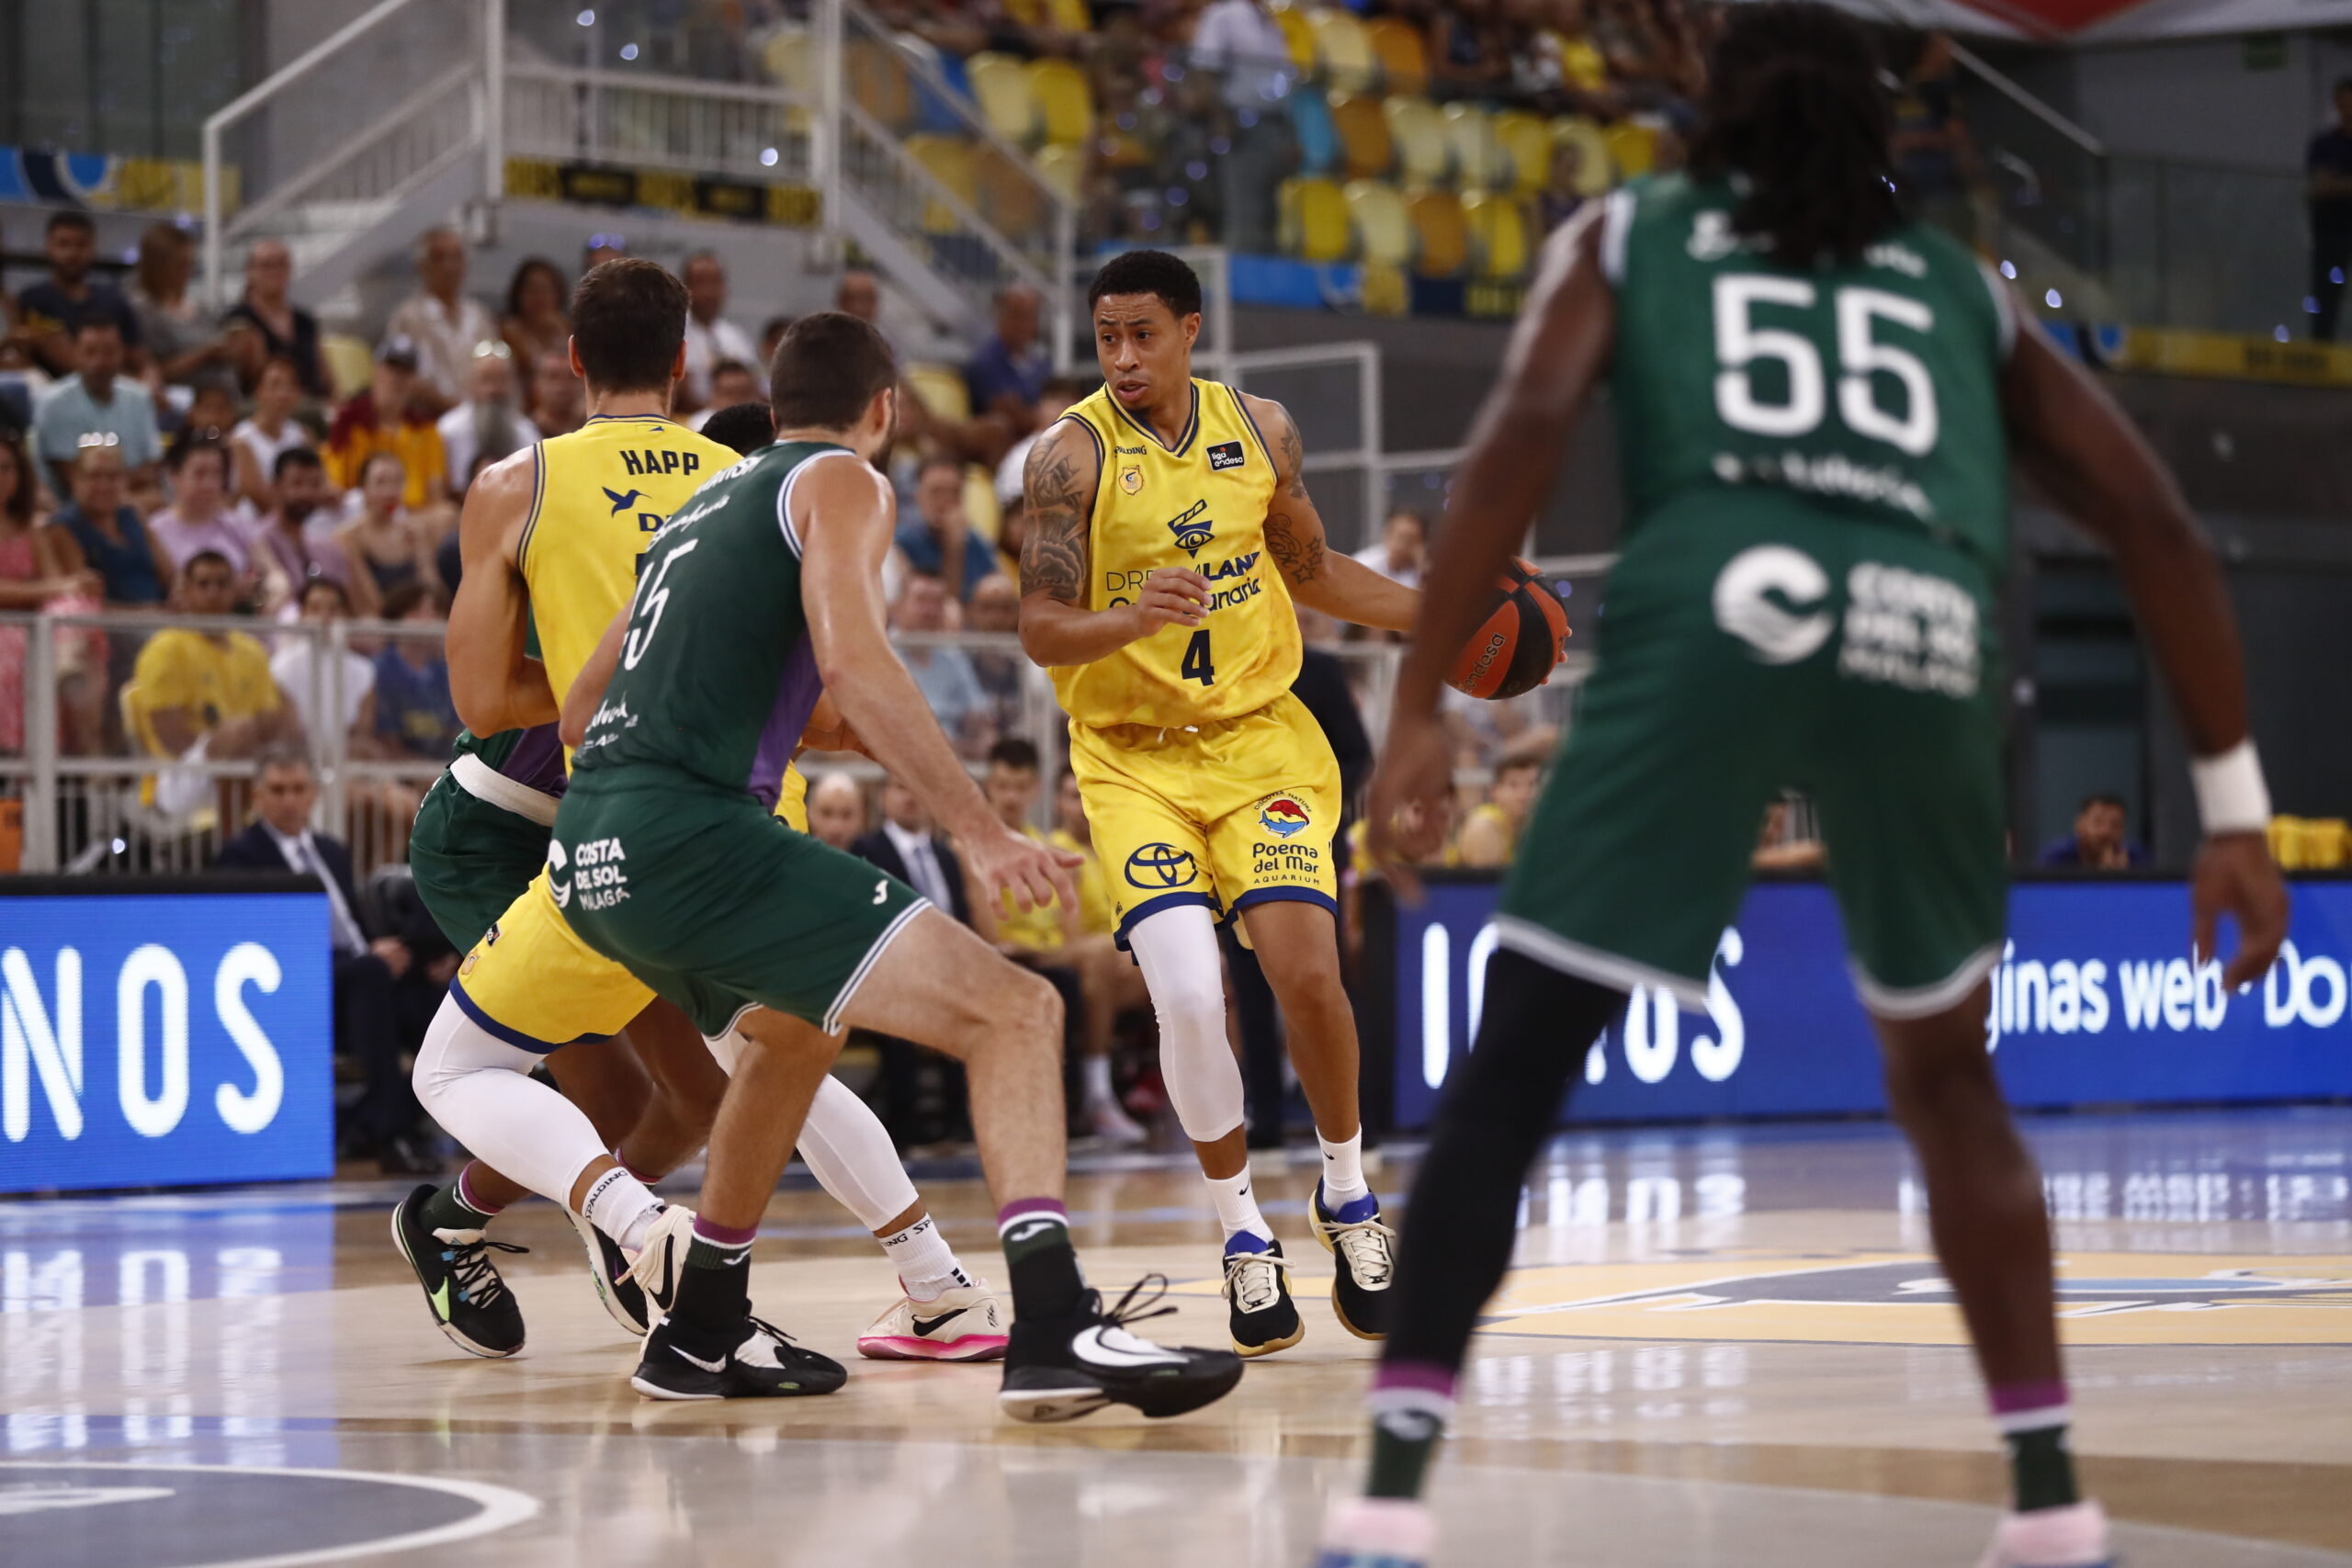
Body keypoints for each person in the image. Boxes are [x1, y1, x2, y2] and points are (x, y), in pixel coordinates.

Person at [1320, 11, 2292, 1568]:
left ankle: (1384, 1500)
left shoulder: (1633, 236)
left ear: (1711, 98)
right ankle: (2051, 1505)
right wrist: (2233, 809)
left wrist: (1423, 698)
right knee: (1948, 1082)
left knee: (1514, 1071)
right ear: (1894, 120)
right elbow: (2158, 526)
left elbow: (1512, 441)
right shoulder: (1964, 294)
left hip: (1723, 605)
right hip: (1925, 632)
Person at [545, 309, 1242, 1415]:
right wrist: (979, 828)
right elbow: (856, 662)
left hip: (588, 853)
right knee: (1017, 1011)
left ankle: (703, 1327)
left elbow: (582, 705)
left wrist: (775, 729)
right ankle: (1055, 1326)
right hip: (688, 834)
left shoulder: (695, 511)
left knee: (793, 1030)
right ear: (884, 410)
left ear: (771, 408)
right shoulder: (843, 482)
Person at [395, 264, 1008, 1374]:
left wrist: (626, 679)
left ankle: (645, 1246)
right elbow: (823, 686)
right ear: (686, 364)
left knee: (664, 1087)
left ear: (570, 359)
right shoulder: (748, 483)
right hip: (564, 825)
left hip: (618, 823)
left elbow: (483, 700)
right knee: (747, 1065)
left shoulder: (515, 481)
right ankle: (917, 1284)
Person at [1019, 248, 1418, 1357]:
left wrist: (1441, 616)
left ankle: (1346, 1196)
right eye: (1106, 336)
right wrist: (1129, 618)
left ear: (1191, 330)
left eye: (1143, 333)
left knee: (1306, 976)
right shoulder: (1067, 459)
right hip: (1132, 759)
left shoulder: (1261, 428)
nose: (1124, 356)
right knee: (1192, 998)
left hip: (1263, 745)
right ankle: (1241, 1232)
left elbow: (1314, 568)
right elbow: (1041, 627)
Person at [217, 745, 437, 1174]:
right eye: (278, 790)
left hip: (359, 971)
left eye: (298, 789)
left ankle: (397, 1121)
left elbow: (353, 925)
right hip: (295, 978)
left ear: (314, 794)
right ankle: (390, 1135)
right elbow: (253, 939)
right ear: (257, 797)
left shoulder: (331, 851)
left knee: (427, 993)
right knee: (372, 973)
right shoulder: (241, 854)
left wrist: (395, 950)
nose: (289, 800)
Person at [123, 548, 300, 818]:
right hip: (178, 776)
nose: (213, 592)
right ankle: (236, 838)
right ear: (186, 591)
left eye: (222, 584)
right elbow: (171, 738)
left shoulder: (251, 649)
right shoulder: (165, 647)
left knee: (289, 730)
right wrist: (227, 746)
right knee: (239, 731)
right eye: (203, 584)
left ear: (234, 591)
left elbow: (270, 722)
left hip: (244, 767)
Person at [0, 428, 104, 754]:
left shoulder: (32, 526)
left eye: (6, 468)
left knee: (76, 604)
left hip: (39, 626)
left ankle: (68, 667)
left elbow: (59, 588)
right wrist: (60, 586)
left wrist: (77, 584)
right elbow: (53, 585)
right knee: (21, 646)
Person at [1188, 0, 1295, 254]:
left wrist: (1289, 133)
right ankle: (1241, 277)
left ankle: (1269, 279)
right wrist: (1219, 119)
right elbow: (1204, 69)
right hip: (1239, 123)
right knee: (1244, 207)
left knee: (1272, 209)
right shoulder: (1223, 15)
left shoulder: (1274, 22)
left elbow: (1283, 82)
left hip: (1274, 123)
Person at [33, 319, 163, 501]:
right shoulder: (54, 403)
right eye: (90, 352)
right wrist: (120, 487)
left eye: (109, 352)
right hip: (75, 507)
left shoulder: (139, 397)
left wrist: (118, 488)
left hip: (134, 498)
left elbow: (152, 465)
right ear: (76, 353)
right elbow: (72, 477)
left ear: (122, 353)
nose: (99, 362)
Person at [324, 339, 447, 514]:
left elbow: (436, 490)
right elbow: (336, 485)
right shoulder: (349, 423)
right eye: (392, 368)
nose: (397, 378)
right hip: (362, 515)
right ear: (376, 370)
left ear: (415, 380)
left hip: (413, 518)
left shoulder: (427, 428)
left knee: (446, 514)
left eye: (406, 371)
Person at [15, 211, 141, 379]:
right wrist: (135, 384)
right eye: (63, 244)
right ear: (48, 248)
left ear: (93, 249)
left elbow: (140, 356)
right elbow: (68, 360)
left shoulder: (113, 299)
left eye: (81, 245)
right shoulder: (33, 301)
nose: (73, 253)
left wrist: (150, 379)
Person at [386, 227, 500, 409]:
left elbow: (497, 368)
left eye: (456, 257)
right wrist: (453, 410)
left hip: (481, 415)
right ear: (422, 265)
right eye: (439, 258)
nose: (449, 267)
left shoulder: (479, 314)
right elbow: (404, 378)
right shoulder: (408, 317)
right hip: (430, 420)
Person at [51, 438, 165, 607]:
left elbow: (169, 573)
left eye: (113, 476)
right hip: (106, 626)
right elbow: (85, 600)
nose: (104, 486)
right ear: (75, 479)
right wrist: (150, 614)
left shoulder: (132, 516)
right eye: (94, 476)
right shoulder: (62, 527)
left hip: (160, 616)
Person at [269, 576, 379, 751]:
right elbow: (289, 733)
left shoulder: (364, 671)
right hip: (298, 761)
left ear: (346, 615)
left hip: (347, 763)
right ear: (302, 615)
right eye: (315, 609)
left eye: (333, 609)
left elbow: (362, 734)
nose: (324, 617)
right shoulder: (280, 668)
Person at [892, 571, 992, 755]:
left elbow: (979, 716)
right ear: (898, 605)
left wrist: (983, 741)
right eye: (921, 600)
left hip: (952, 756)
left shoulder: (953, 656)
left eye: (937, 602)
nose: (930, 611)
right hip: (892, 755)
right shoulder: (881, 651)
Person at [249, 448, 357, 616]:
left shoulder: (328, 548)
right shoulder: (255, 541)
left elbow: (348, 608)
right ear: (275, 487)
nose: (306, 493)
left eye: (314, 484)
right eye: (297, 483)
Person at [334, 452, 441, 616]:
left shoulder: (413, 531)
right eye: (380, 483)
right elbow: (367, 600)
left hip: (417, 622)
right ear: (363, 488)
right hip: (377, 624)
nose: (390, 492)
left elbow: (431, 587)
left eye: (397, 482)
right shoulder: (350, 537)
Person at [148, 440, 257, 598]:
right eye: (200, 474)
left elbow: (271, 570)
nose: (209, 484)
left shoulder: (238, 523)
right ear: (174, 475)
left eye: (216, 474)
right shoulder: (155, 531)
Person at [220, 240, 328, 399]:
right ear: (250, 271)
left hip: (311, 400)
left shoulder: (305, 320)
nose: (274, 272)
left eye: (280, 264)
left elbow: (324, 373)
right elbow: (248, 376)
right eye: (266, 265)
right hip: (266, 405)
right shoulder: (239, 321)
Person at [371, 581, 459, 757]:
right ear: (396, 620)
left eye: (433, 613)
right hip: (396, 774)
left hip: (441, 770)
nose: (429, 621)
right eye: (416, 613)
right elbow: (386, 741)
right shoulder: (381, 671)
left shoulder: (444, 673)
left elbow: (455, 732)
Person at [435, 346, 537, 500]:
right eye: (486, 379)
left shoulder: (525, 430)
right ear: (471, 383)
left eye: (501, 380)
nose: (493, 390)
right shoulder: (448, 430)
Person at [897, 454, 996, 601]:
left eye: (953, 492)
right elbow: (941, 607)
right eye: (936, 492)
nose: (945, 501)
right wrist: (954, 548)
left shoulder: (977, 543)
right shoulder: (902, 544)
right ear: (918, 496)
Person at [966, 284, 1050, 439]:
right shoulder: (986, 361)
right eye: (1017, 315)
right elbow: (1011, 415)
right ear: (1001, 316)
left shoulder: (1040, 361)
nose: (1024, 324)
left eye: (1031, 316)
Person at [229, 355, 311, 511]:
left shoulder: (302, 435)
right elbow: (262, 501)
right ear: (259, 391)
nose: (283, 394)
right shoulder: (241, 440)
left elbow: (317, 483)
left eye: (290, 386)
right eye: (275, 386)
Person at [679, 251, 758, 411]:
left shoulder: (735, 336)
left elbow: (755, 387)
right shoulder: (673, 333)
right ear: (684, 287)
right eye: (701, 282)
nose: (709, 292)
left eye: (716, 282)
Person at [2306, 78, 2352, 342]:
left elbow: (2329, 185)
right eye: (2343, 101)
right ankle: (2322, 351)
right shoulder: (2324, 144)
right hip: (2331, 232)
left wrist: (2337, 184)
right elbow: (2319, 186)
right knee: (2326, 294)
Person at [1451, 750, 1539, 867]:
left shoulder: (1535, 825)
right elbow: (1484, 884)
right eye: (1513, 785)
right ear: (1495, 792)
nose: (1524, 794)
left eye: (1532, 784)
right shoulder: (1484, 827)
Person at [500, 257, 571, 385]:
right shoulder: (506, 333)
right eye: (532, 290)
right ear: (518, 294)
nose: (540, 297)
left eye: (546, 290)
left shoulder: (567, 329)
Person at [2038, 791, 2148, 869]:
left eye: (2116, 824)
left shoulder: (2136, 858)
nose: (2106, 831)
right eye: (2098, 822)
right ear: (2080, 824)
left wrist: (2123, 876)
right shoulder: (2057, 856)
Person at [1352, 508, 1425, 590]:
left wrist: (1421, 567)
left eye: (1410, 540)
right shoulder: (1364, 564)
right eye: (1400, 537)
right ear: (1387, 535)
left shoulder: (1419, 570)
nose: (1402, 545)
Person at [805, 770, 868, 851]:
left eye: (847, 815)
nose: (836, 828)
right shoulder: (791, 858)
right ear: (809, 813)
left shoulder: (877, 860)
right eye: (826, 813)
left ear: (862, 817)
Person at [529, 348, 585, 439]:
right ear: (536, 384)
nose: (562, 386)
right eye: (553, 377)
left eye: (571, 377)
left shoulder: (591, 431)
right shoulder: (521, 434)